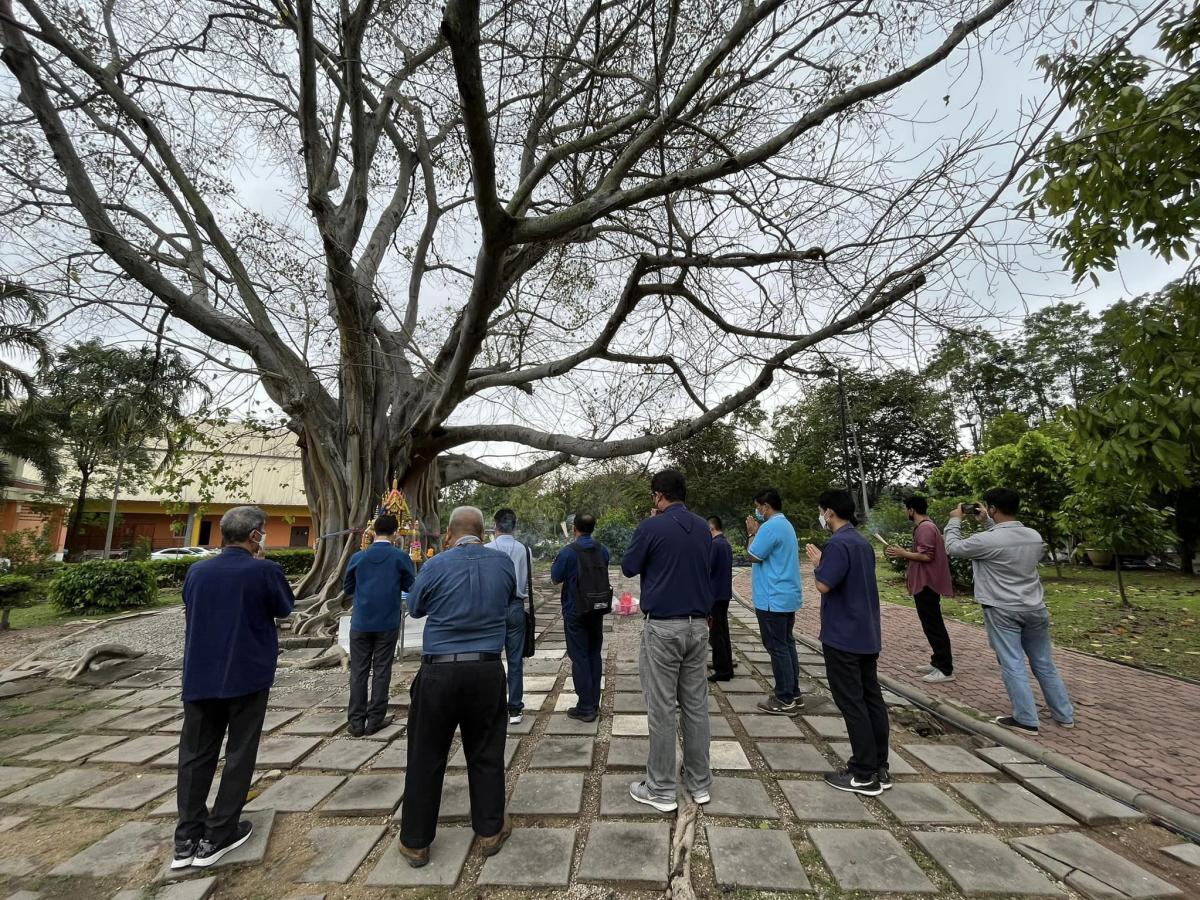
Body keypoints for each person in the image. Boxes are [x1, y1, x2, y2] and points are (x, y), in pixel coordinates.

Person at [173, 506, 295, 870]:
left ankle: (186, 840)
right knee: (240, 753)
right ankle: (220, 832)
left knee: (194, 755)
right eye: (264, 533)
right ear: (255, 535)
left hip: (200, 675)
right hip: (246, 675)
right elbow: (284, 608)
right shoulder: (265, 570)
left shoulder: (197, 571)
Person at [398, 506, 515, 867]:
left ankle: (416, 842)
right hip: (486, 670)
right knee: (486, 752)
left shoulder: (435, 564)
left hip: (439, 672)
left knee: (425, 755)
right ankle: (490, 830)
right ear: (483, 532)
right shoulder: (503, 564)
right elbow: (509, 602)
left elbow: (415, 608)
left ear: (449, 535)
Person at [945, 488, 1075, 735]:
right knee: (1044, 662)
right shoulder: (1033, 536)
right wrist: (989, 522)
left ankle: (1026, 718)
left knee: (1012, 662)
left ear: (992, 508)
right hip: (1035, 607)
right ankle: (1064, 714)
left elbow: (953, 548)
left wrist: (955, 520)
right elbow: (1003, 539)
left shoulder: (987, 540)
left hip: (1002, 609)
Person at [621, 469, 713, 812]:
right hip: (698, 627)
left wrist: (648, 527)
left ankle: (660, 788)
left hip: (663, 628)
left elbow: (630, 567)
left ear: (659, 496)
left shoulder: (651, 527)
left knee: (662, 708)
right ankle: (699, 783)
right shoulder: (704, 527)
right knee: (695, 704)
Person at [805, 489, 888, 797]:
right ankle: (880, 766)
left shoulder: (839, 544)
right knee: (871, 699)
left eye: (821, 511)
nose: (821, 517)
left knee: (851, 702)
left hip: (843, 635)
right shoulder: (862, 542)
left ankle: (864, 773)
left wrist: (819, 563)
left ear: (829, 512)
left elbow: (824, 584)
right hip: (867, 632)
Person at [343, 513, 416, 736]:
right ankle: (375, 718)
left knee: (358, 671)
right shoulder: (400, 557)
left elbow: (348, 587)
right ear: (395, 534)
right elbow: (410, 584)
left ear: (373, 532)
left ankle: (356, 722)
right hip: (387, 621)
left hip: (361, 621)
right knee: (382, 669)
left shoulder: (358, 557)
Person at [744, 488, 803, 714]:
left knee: (777, 648)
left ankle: (784, 697)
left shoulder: (770, 527)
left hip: (772, 598)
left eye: (758, 507)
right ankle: (794, 693)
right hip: (787, 596)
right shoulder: (786, 524)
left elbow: (753, 555)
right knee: (787, 645)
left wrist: (752, 533)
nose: (757, 511)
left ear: (766, 506)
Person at [885, 496, 956, 683]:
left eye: (905, 509)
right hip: (924, 582)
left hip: (927, 583)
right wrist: (906, 553)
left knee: (934, 626)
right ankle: (937, 660)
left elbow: (927, 556)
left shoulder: (925, 527)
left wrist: (903, 553)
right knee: (930, 624)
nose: (904, 512)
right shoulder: (927, 526)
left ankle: (945, 668)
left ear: (911, 510)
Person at [550, 514, 610, 722]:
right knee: (594, 654)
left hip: (575, 611)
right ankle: (594, 702)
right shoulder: (602, 549)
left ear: (574, 528)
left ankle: (585, 708)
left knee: (580, 657)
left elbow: (556, 577)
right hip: (597, 608)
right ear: (593, 527)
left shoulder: (568, 552)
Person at [487, 508, 533, 725]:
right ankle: (515, 708)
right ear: (514, 525)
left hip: (493, 607)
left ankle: (491, 706)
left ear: (495, 524)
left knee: (490, 658)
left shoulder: (487, 549)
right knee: (515, 661)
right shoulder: (525, 549)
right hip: (516, 606)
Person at [707, 515, 734, 682]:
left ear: (711, 528)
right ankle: (726, 664)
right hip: (724, 593)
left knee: (715, 633)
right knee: (723, 631)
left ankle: (722, 670)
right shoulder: (725, 543)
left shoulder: (715, 545)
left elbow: (707, 568)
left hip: (715, 595)